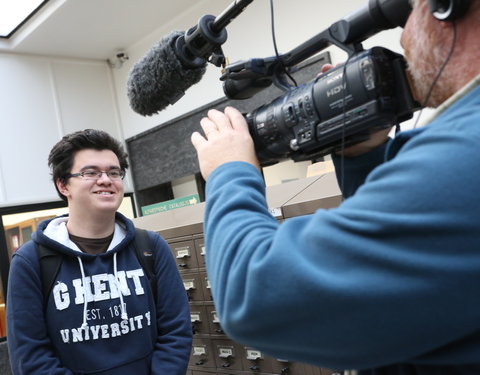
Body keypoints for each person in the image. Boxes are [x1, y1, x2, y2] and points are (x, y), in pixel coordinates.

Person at [191, 0, 480, 373]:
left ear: (447, 7)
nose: (405, 38)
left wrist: (229, 170)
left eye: (411, 13)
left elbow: (256, 297)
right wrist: (363, 155)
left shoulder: (465, 150)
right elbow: (395, 289)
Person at [7, 129, 192, 374]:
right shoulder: (31, 261)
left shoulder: (151, 247)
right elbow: (30, 356)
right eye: (90, 172)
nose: (106, 180)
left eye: (114, 172)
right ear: (63, 185)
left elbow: (176, 331)